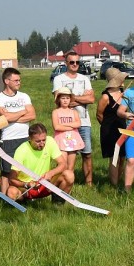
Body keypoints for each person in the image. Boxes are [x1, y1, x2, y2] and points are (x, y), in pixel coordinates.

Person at [52, 52, 94, 185]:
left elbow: (92, 99)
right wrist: (81, 98)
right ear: (66, 63)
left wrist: (73, 98)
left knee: (86, 153)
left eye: (77, 62)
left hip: (84, 121)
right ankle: (65, 181)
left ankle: (89, 183)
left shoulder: (85, 79)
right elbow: (60, 101)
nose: (75, 64)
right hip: (64, 123)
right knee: (66, 155)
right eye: (72, 62)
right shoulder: (58, 79)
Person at [0, 68, 36, 196]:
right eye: (16, 80)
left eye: (19, 80)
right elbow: (5, 117)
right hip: (8, 139)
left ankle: (23, 194)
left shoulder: (24, 96)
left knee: (23, 169)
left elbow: (32, 115)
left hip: (24, 138)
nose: (19, 82)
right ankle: (3, 197)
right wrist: (23, 111)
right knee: (6, 170)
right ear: (7, 81)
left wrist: (12, 117)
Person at [4, 123, 73, 202]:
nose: (42, 144)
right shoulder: (21, 150)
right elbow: (12, 179)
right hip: (27, 187)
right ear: (30, 138)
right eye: (38, 141)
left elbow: (63, 164)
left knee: (69, 175)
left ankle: (58, 203)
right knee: (11, 192)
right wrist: (26, 185)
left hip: (46, 184)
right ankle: (25, 204)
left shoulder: (50, 141)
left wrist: (51, 173)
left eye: (44, 140)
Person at [97, 68, 126, 186]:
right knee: (114, 158)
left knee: (123, 157)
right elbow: (99, 114)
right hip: (110, 131)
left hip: (123, 128)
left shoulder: (124, 93)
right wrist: (106, 126)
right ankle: (114, 185)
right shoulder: (105, 97)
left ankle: (119, 181)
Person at [52, 87, 84, 171]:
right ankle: (60, 182)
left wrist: (64, 124)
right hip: (61, 140)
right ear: (59, 99)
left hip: (72, 141)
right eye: (63, 98)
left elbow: (78, 124)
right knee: (62, 165)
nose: (65, 100)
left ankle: (70, 182)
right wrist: (71, 126)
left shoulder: (74, 112)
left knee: (71, 166)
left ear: (70, 99)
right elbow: (57, 127)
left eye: (67, 98)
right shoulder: (56, 112)